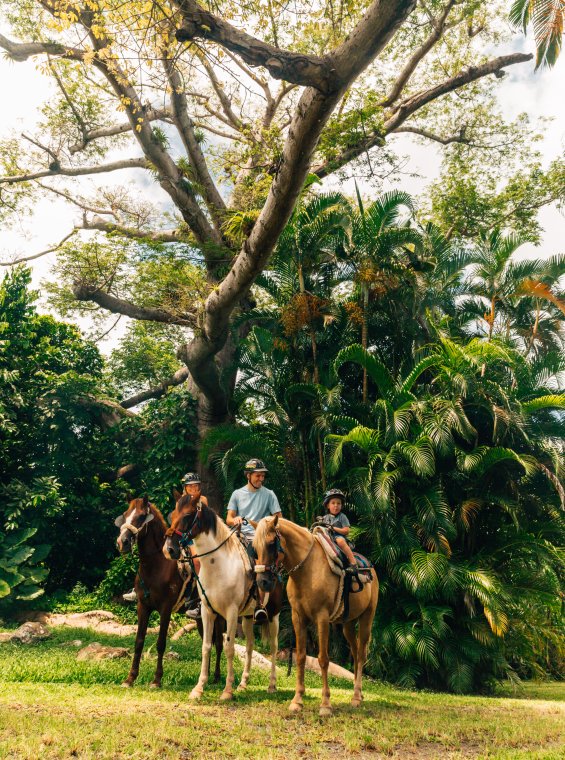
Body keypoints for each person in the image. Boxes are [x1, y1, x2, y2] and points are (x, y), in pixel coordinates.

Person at [226, 458, 282, 623]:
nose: (261, 479)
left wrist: (265, 525)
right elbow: (228, 518)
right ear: (248, 476)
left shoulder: (269, 494)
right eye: (258, 476)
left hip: (258, 535)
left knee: (259, 563)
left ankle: (260, 606)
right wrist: (234, 520)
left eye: (263, 476)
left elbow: (278, 518)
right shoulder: (237, 494)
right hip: (237, 533)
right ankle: (205, 600)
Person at [319, 489, 358, 572]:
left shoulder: (342, 517)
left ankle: (353, 563)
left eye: (338, 503)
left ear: (341, 505)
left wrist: (334, 528)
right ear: (328, 505)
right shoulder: (324, 518)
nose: (336, 505)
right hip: (327, 538)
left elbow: (346, 531)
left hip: (338, 537)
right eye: (333, 503)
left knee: (340, 541)